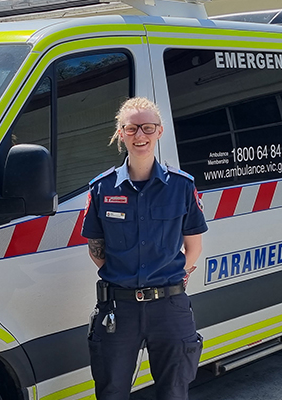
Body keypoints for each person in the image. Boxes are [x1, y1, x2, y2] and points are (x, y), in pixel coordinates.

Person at [81, 97, 208, 400]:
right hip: (118, 310)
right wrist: (125, 278)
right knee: (111, 392)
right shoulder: (102, 188)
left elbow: (193, 245)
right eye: (132, 128)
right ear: (121, 133)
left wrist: (175, 274)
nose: (140, 136)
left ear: (160, 131)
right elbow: (96, 250)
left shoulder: (181, 186)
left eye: (147, 128)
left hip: (169, 308)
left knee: (174, 392)